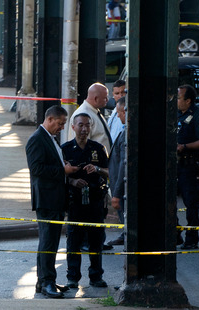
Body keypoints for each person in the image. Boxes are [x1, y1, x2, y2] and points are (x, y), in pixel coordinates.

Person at [25, 105, 79, 298]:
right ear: (50, 119)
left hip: (55, 198)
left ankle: (46, 280)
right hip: (46, 199)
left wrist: (61, 165)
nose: (62, 127)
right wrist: (63, 171)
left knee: (51, 241)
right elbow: (37, 169)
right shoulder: (37, 139)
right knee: (48, 241)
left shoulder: (50, 139)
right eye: (60, 123)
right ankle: (46, 281)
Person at [62, 113, 109, 289]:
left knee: (96, 241)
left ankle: (96, 276)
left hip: (95, 201)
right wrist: (73, 181)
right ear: (73, 127)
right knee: (73, 240)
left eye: (87, 125)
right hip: (75, 203)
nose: (84, 129)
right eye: (80, 125)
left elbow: (109, 172)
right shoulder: (65, 149)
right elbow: (60, 176)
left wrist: (97, 169)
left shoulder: (98, 148)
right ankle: (72, 277)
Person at [176, 85, 199, 249]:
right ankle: (175, 234)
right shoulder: (177, 114)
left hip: (191, 166)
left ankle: (192, 238)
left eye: (178, 98)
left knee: (191, 203)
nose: (176, 101)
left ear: (188, 100)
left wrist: (185, 146)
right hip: (177, 165)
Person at [67, 83, 112, 155]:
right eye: (105, 98)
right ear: (96, 99)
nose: (107, 100)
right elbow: (79, 145)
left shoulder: (93, 112)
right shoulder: (83, 114)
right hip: (91, 163)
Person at [106, 97, 127, 246]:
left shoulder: (127, 134)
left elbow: (123, 166)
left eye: (120, 113)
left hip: (122, 188)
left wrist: (117, 193)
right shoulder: (124, 130)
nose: (118, 116)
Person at [107, 80, 126, 144]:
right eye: (117, 93)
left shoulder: (128, 111)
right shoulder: (114, 112)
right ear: (113, 95)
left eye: (123, 92)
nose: (120, 96)